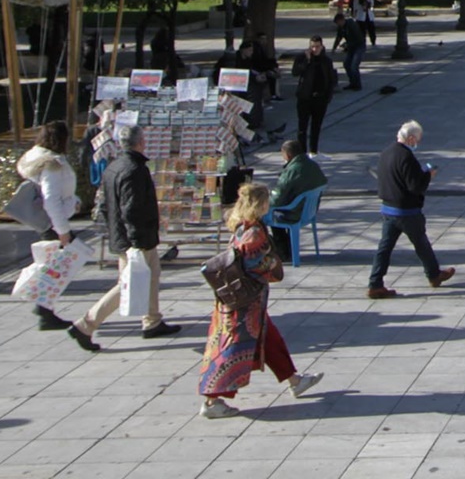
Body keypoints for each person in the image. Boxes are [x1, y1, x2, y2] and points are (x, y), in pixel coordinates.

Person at [198, 182, 323, 418]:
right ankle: (211, 401)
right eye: (267, 200)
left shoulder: (241, 224)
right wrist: (273, 265)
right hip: (245, 303)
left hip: (245, 301)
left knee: (269, 338)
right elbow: (257, 265)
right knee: (231, 348)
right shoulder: (254, 232)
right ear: (260, 204)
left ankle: (294, 380)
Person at [68, 124, 181, 351]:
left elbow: (107, 204)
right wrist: (136, 241)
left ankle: (152, 321)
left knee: (150, 276)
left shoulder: (115, 166)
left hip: (123, 235)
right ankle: (86, 325)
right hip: (136, 238)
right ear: (140, 142)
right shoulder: (134, 170)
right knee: (128, 284)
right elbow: (132, 209)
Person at [367, 121, 456, 298]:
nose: (418, 144)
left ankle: (375, 283)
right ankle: (433, 274)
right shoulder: (406, 157)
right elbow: (415, 186)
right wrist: (428, 176)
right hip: (405, 211)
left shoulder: (386, 152)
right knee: (421, 243)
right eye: (417, 140)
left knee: (384, 248)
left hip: (388, 208)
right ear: (411, 138)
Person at [16, 120, 79, 331]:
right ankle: (44, 312)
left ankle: (42, 308)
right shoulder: (52, 164)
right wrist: (63, 231)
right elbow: (51, 198)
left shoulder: (35, 156)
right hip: (54, 222)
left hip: (44, 220)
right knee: (56, 267)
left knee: (51, 265)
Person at [268, 139, 327, 257]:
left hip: (295, 212)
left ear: (288, 155)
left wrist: (264, 203)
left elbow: (278, 198)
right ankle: (287, 247)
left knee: (269, 213)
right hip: (309, 210)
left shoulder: (293, 170)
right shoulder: (312, 164)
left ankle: (282, 250)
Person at [291, 36, 337, 158]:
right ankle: (301, 153)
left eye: (317, 46)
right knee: (302, 127)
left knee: (316, 127)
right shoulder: (303, 58)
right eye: (312, 46)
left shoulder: (326, 61)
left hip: (320, 99)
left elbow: (331, 80)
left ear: (322, 46)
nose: (314, 49)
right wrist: (307, 60)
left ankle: (314, 151)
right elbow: (295, 72)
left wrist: (328, 96)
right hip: (304, 98)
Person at [333, 9, 366, 91]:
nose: (338, 25)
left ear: (342, 20)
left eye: (338, 23)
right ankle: (352, 82)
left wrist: (346, 45)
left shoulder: (351, 24)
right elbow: (338, 37)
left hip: (359, 46)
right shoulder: (341, 28)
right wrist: (334, 47)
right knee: (347, 64)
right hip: (351, 47)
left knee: (354, 66)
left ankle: (357, 84)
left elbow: (358, 38)